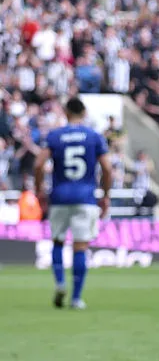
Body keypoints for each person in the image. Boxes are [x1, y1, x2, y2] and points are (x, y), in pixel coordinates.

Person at [33, 97, 113, 309]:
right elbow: (107, 167)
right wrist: (105, 194)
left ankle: (60, 282)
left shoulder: (55, 135)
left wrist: (39, 190)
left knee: (58, 241)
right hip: (85, 197)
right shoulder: (93, 136)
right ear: (84, 113)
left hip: (59, 196)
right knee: (80, 246)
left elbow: (39, 163)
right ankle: (76, 298)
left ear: (66, 113)